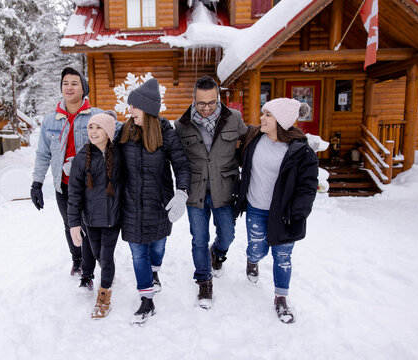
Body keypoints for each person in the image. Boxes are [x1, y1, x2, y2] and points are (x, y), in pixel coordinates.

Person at [234, 97, 318, 324]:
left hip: (284, 213)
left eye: (268, 114)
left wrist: (298, 212)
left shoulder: (301, 151)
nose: (262, 118)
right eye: (263, 113)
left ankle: (281, 297)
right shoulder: (253, 138)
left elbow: (308, 186)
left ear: (281, 120)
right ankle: (252, 260)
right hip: (255, 208)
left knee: (283, 256)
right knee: (257, 249)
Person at [116, 78, 190, 325]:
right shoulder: (124, 131)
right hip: (131, 206)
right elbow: (103, 152)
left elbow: (181, 164)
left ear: (147, 109)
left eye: (134, 107)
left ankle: (155, 272)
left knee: (157, 248)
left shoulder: (165, 133)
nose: (130, 111)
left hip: (159, 205)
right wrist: (81, 163)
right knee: (138, 254)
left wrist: (182, 192)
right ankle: (147, 299)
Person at [174, 76, 247, 310]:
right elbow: (175, 157)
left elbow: (249, 144)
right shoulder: (181, 124)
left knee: (227, 234)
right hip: (195, 192)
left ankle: (217, 252)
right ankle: (204, 281)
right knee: (198, 240)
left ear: (219, 98)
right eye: (201, 103)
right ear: (193, 99)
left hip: (224, 188)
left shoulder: (234, 119)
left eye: (212, 103)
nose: (207, 108)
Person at [31, 66, 102, 282]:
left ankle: (93, 265)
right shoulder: (50, 121)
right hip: (63, 185)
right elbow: (43, 154)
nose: (69, 87)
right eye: (65, 83)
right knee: (70, 225)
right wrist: (37, 183)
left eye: (74, 83)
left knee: (90, 225)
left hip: (90, 185)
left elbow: (116, 142)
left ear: (84, 88)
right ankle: (77, 259)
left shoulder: (96, 116)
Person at [67, 111, 121, 319]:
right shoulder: (81, 158)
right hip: (90, 219)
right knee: (99, 254)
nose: (93, 131)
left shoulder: (119, 155)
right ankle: (109, 269)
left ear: (108, 131)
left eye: (99, 127)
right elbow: (74, 193)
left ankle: (104, 295)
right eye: (90, 127)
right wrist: (73, 224)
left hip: (113, 219)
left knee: (105, 258)